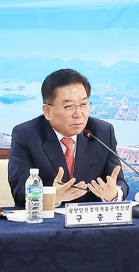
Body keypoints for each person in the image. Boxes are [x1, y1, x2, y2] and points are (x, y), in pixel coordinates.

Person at [8, 68, 128, 206]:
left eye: (83, 104)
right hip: (48, 217)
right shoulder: (26, 135)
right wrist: (52, 196)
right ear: (47, 111)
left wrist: (113, 195)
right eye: (69, 106)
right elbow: (19, 191)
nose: (78, 114)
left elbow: (118, 182)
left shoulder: (102, 132)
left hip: (89, 218)